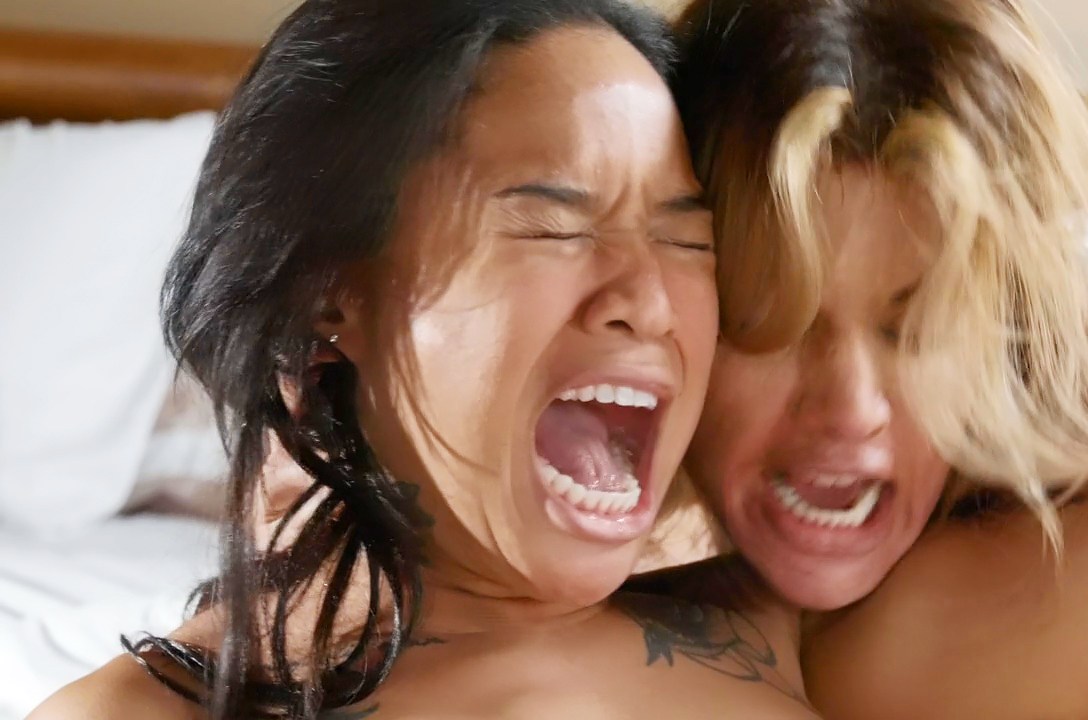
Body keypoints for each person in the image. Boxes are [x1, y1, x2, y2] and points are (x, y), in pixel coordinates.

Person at [27, 1, 823, 718]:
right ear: (330, 295)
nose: (649, 303)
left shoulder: (794, 622)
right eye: (555, 228)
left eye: (688, 239)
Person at [634, 0, 1088, 717]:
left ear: (1004, 327)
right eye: (775, 320)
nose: (851, 408)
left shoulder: (879, 645)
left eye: (918, 329)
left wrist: (1014, 225)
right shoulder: (637, 566)